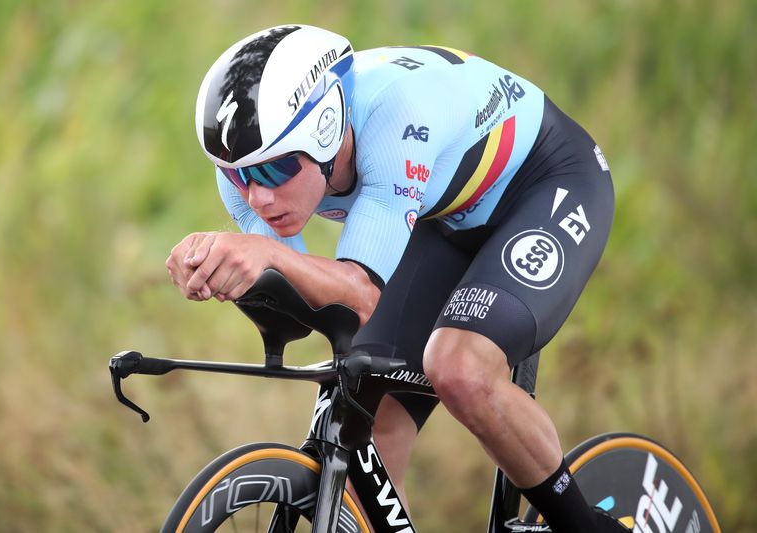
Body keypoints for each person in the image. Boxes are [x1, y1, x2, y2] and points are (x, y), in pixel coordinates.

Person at [166, 24, 625, 532]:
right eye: (238, 175)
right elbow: (302, 313)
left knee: (460, 369)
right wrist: (225, 277)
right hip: (441, 216)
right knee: (369, 411)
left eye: (275, 172)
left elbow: (358, 294)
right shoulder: (247, 162)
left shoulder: (396, 119)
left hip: (548, 182)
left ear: (324, 131)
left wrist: (261, 255)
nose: (256, 197)